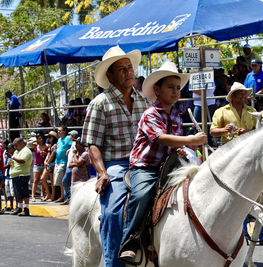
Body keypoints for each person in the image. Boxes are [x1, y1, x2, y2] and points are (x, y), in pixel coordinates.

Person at [119, 61, 207, 263]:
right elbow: (161, 138)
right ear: (157, 90)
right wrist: (190, 140)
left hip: (168, 164)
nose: (176, 92)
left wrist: (183, 149)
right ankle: (130, 239)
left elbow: (173, 143)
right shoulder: (150, 114)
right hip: (146, 166)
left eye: (178, 88)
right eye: (170, 87)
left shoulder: (176, 114)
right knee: (142, 194)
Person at [81, 45, 150, 267]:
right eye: (122, 69)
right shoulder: (100, 103)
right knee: (112, 212)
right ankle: (113, 262)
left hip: (144, 162)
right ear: (110, 75)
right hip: (117, 165)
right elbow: (93, 144)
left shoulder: (144, 101)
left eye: (130, 67)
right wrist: (101, 173)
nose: (128, 72)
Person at [9, 138, 33, 216]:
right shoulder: (17, 151)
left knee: (24, 192)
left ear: (22, 143)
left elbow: (22, 161)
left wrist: (12, 157)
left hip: (22, 175)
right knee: (17, 193)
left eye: (16, 145)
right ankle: (19, 208)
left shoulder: (26, 150)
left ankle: (26, 209)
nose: (15, 147)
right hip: (15, 175)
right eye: (14, 146)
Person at [53, 125, 72, 203]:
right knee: (60, 181)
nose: (58, 132)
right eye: (58, 130)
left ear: (64, 131)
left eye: (60, 130)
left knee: (63, 180)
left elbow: (73, 145)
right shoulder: (59, 140)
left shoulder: (68, 138)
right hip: (57, 161)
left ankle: (65, 197)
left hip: (64, 162)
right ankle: (62, 196)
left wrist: (69, 150)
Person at [61, 130, 80, 205]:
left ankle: (69, 198)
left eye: (70, 135)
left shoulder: (76, 144)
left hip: (71, 165)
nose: (69, 136)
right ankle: (67, 198)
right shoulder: (73, 143)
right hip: (69, 164)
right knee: (67, 182)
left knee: (65, 181)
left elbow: (76, 152)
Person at [28, 133, 48, 202]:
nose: (41, 140)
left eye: (42, 138)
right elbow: (29, 143)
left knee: (43, 180)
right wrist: (35, 141)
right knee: (35, 180)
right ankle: (33, 196)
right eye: (39, 138)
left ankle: (42, 194)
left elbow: (50, 152)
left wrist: (45, 154)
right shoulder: (36, 146)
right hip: (37, 165)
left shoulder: (46, 146)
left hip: (44, 165)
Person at [41, 131, 57, 201]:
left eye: (50, 137)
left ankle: (52, 196)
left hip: (52, 164)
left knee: (52, 180)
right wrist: (45, 161)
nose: (48, 139)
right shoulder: (50, 145)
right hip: (48, 164)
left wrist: (47, 162)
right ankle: (48, 194)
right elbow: (48, 154)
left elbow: (53, 154)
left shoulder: (55, 145)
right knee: (42, 178)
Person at [3, 142, 15, 211]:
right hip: (6, 175)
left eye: (10, 148)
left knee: (12, 192)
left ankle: (12, 206)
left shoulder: (13, 156)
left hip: (11, 176)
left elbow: (9, 164)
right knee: (7, 192)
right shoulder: (7, 156)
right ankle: (9, 206)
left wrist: (2, 167)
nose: (8, 150)